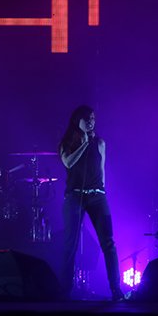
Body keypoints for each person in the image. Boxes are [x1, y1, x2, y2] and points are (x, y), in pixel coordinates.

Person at [59, 105, 124, 301]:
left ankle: (116, 290)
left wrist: (102, 190)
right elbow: (68, 162)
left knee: (108, 243)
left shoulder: (100, 143)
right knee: (70, 245)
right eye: (87, 119)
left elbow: (102, 170)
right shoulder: (67, 143)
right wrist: (84, 144)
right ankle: (65, 291)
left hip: (97, 196)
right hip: (74, 197)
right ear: (77, 120)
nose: (91, 122)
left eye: (93, 118)